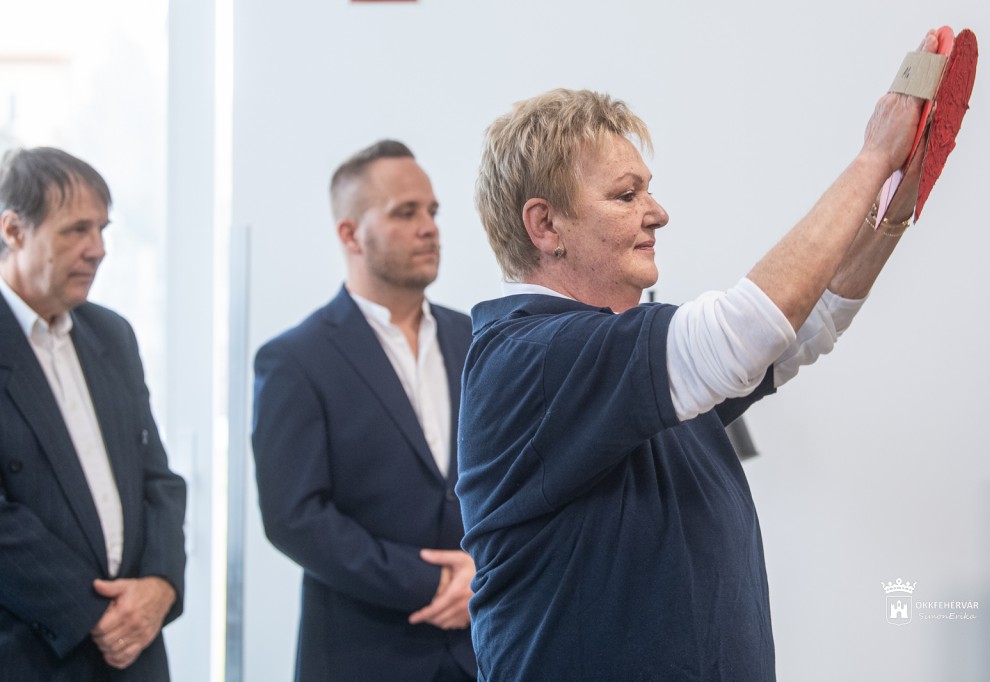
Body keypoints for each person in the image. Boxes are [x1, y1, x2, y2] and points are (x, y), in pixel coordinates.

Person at [457, 31, 941, 681]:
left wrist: (891, 213)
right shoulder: (530, 359)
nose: (658, 213)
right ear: (545, 226)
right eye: (626, 195)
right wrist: (873, 159)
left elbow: (808, 325)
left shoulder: (621, 364)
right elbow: (745, 331)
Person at [251, 140, 477, 681]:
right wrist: (433, 582)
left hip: (481, 648)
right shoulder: (295, 359)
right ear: (350, 234)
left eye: (432, 211)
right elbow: (294, 518)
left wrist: (484, 573)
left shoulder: (476, 337)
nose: (429, 228)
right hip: (363, 654)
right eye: (405, 212)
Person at [0, 147, 186, 680]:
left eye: (102, 229)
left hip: (136, 652)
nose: (98, 249)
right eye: (76, 230)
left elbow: (159, 481)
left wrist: (161, 586)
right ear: (13, 230)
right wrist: (94, 615)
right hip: (31, 653)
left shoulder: (112, 335)